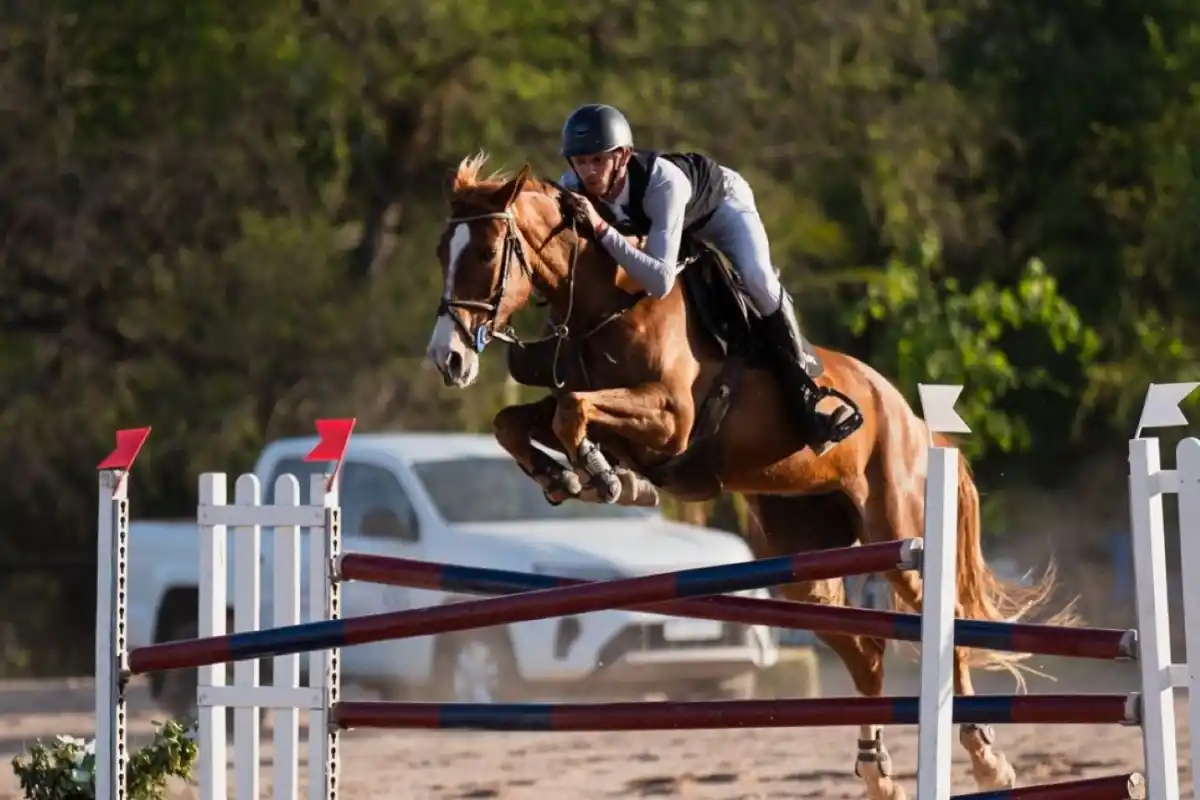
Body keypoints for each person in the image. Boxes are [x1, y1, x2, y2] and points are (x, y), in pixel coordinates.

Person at [557, 103, 859, 455]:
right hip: (664, 228)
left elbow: (659, 281)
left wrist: (598, 226)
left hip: (722, 210)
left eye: (598, 160)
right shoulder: (572, 187)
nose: (589, 172)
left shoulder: (662, 182)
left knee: (757, 278)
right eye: (580, 161)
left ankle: (807, 391)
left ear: (623, 156)